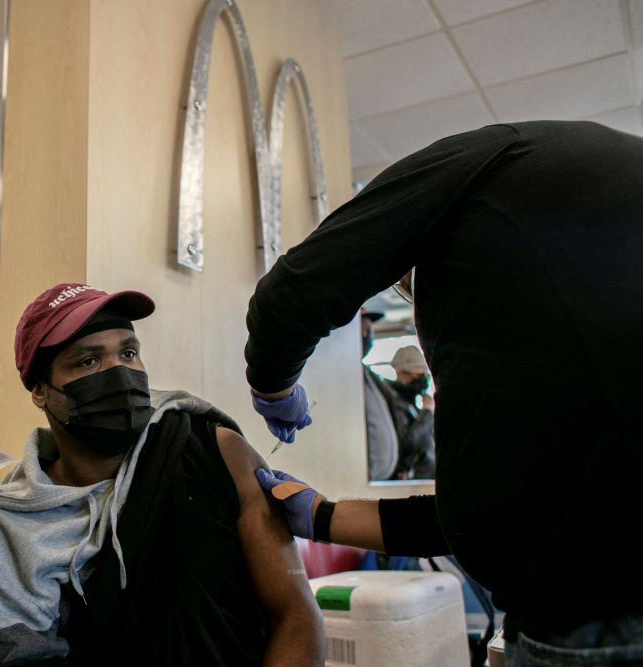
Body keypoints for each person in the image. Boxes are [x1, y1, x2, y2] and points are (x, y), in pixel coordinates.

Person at [244, 121, 643, 665]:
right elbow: (494, 512)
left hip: (596, 628)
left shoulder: (471, 168)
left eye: (414, 290)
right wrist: (320, 516)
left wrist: (273, 385)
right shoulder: (577, 303)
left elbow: (291, 294)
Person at [0, 283, 323, 665]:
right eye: (88, 361)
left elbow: (296, 615)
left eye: (129, 353)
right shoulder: (2, 542)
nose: (119, 371)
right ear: (40, 391)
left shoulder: (211, 451)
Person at [359, 308, 399, 480]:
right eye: (364, 329)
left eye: (370, 330)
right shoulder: (343, 377)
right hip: (360, 477)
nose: (368, 334)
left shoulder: (369, 375)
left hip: (379, 480)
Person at [386, 345, 435, 480]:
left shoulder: (410, 402)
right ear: (402, 373)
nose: (423, 379)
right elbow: (406, 442)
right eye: (419, 373)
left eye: (426, 375)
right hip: (412, 481)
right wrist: (427, 412)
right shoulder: (395, 402)